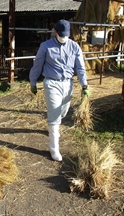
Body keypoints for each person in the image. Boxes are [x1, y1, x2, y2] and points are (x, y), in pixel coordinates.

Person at [29, 19, 90, 162]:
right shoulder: (45, 46)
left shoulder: (74, 47)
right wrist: (33, 81)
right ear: (55, 32)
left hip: (68, 84)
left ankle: (53, 128)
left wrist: (84, 85)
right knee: (55, 114)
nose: (63, 37)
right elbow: (37, 64)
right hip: (51, 83)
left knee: (63, 111)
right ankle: (54, 148)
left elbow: (80, 68)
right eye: (61, 34)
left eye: (66, 34)